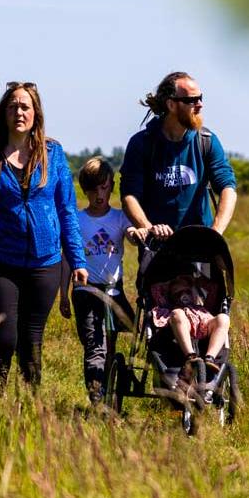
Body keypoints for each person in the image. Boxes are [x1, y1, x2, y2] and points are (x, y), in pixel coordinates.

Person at [0, 81, 88, 386]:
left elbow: (67, 210)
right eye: (13, 106)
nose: (19, 112)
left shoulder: (53, 154)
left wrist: (77, 260)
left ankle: (30, 410)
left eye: (25, 106)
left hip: (45, 262)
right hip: (1, 261)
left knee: (31, 340)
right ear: (3, 113)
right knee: (4, 335)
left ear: (36, 113)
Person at [61, 157, 147, 404]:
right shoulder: (77, 220)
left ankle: (110, 394)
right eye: (93, 188)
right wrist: (63, 295)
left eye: (104, 187)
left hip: (113, 291)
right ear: (85, 190)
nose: (99, 194)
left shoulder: (120, 218)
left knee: (111, 344)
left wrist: (136, 232)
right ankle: (97, 400)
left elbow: (131, 235)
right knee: (94, 346)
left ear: (111, 187)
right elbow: (66, 259)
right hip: (85, 291)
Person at [119, 71, 238, 237]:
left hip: (200, 248)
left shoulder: (206, 141)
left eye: (200, 98)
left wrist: (215, 233)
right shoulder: (142, 144)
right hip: (157, 250)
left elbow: (228, 188)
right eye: (191, 100)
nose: (200, 105)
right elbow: (129, 196)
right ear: (171, 105)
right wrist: (149, 228)